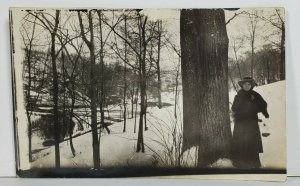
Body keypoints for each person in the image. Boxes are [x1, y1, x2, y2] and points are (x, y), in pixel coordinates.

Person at [231, 77, 269, 168]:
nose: (247, 86)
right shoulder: (238, 95)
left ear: (251, 85)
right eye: (245, 84)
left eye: (249, 84)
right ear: (242, 85)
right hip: (240, 122)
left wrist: (254, 103)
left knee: (251, 141)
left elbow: (263, 105)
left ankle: (253, 163)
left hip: (251, 122)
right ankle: (239, 163)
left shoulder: (255, 95)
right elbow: (234, 108)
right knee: (241, 141)